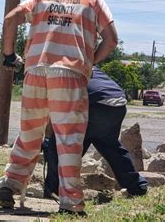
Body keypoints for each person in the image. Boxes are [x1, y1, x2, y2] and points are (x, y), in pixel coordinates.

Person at [0, 0, 119, 215]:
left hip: (35, 70)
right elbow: (111, 39)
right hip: (70, 74)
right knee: (69, 139)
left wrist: (9, 55)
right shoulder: (93, 1)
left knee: (30, 133)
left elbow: (10, 19)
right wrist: (90, 62)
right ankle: (71, 202)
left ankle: (10, 184)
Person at [42, 66, 149, 198]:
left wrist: (47, 139)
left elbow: (54, 109)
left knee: (59, 146)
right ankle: (137, 185)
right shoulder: (84, 61)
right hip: (117, 104)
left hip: (94, 104)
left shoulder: (59, 70)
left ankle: (54, 189)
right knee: (110, 146)